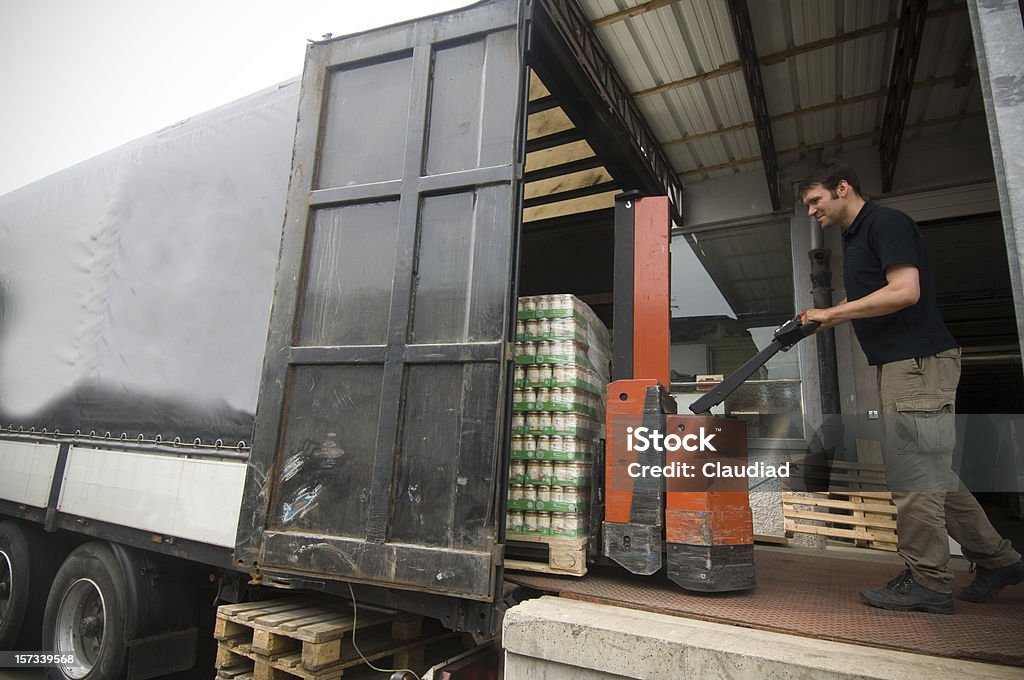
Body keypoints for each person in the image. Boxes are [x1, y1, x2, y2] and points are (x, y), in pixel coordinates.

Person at [798, 160, 1024, 614]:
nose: (811, 212)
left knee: (913, 477)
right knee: (935, 475)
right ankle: (999, 561)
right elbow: (876, 291)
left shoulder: (886, 223)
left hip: (916, 365)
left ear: (843, 188)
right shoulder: (858, 236)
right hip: (905, 365)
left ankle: (928, 583)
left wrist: (835, 315)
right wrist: (825, 316)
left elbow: (905, 291)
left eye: (815, 201)